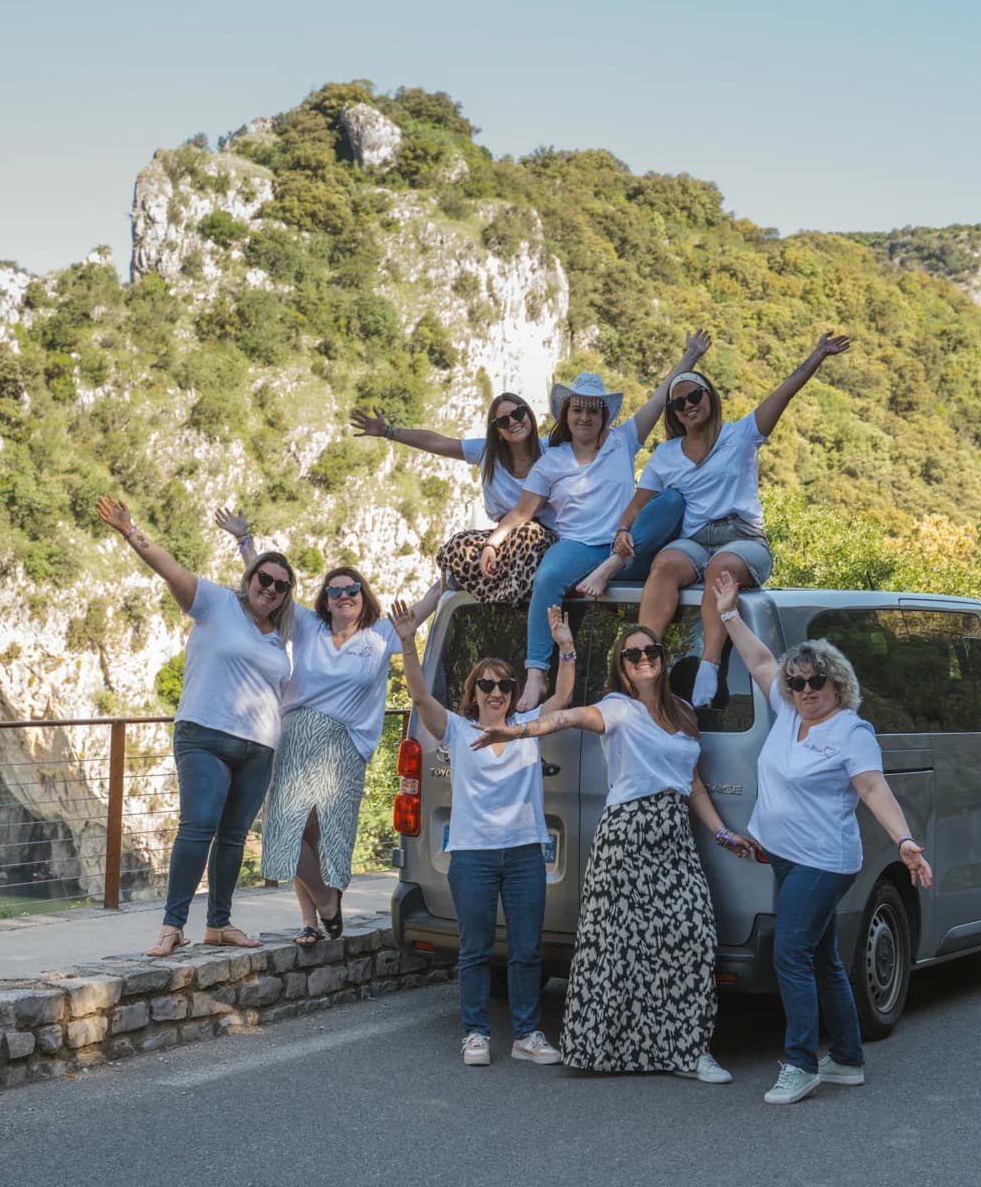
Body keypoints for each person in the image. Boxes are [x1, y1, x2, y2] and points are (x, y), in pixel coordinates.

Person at [471, 624, 758, 1081]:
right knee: (617, 950)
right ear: (621, 667)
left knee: (692, 936)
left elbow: (694, 784)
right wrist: (518, 731)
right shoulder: (616, 709)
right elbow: (564, 718)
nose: (642, 658)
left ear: (661, 658)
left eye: (650, 650)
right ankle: (609, 1050)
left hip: (675, 837)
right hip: (626, 835)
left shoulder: (683, 712)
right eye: (631, 654)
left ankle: (688, 1051)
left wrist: (724, 835)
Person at [709, 570, 934, 1105]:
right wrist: (726, 614)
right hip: (785, 856)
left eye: (816, 682)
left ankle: (801, 1062)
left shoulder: (851, 731)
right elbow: (762, 660)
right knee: (822, 958)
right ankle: (848, 1059)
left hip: (825, 862)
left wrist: (903, 841)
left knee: (790, 952)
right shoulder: (787, 712)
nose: (805, 690)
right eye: (798, 682)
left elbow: (874, 788)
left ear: (838, 685)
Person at [215, 508, 440, 948]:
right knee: (291, 825)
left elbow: (427, 605)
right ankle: (322, 907)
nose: (343, 595)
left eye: (351, 589)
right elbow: (268, 587)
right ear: (325, 599)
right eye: (334, 590)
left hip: (346, 744)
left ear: (362, 594)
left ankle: (315, 919)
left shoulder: (380, 636)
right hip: (298, 733)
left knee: (329, 831)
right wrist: (245, 542)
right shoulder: (309, 625)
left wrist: (446, 578)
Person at [94, 495, 295, 958]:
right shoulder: (216, 603)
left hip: (259, 748)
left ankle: (219, 923)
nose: (270, 588)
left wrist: (249, 543)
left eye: (280, 586)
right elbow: (169, 568)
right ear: (249, 581)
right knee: (199, 825)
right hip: (204, 734)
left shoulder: (277, 635)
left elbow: (270, 575)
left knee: (233, 836)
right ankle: (172, 926)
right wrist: (129, 530)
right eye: (263, 579)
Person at [610, 331, 852, 708]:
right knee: (664, 565)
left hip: (744, 539)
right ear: (672, 414)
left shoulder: (740, 435)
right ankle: (644, 664)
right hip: (696, 539)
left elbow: (783, 393)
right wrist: (624, 528)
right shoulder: (667, 454)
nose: (688, 405)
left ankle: (709, 666)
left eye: (695, 396)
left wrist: (817, 355)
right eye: (679, 403)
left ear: (710, 399)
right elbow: (638, 503)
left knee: (721, 570)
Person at [477, 332, 711, 711]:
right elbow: (521, 512)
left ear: (604, 415)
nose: (585, 417)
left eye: (592, 410)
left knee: (670, 500)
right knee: (549, 577)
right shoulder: (551, 461)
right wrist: (493, 541)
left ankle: (611, 567)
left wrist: (691, 355)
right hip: (580, 550)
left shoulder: (624, 440)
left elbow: (659, 396)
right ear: (566, 416)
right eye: (577, 410)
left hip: (627, 548)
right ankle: (536, 674)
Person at [393, 599, 577, 1067]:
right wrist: (407, 642)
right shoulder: (454, 729)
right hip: (472, 855)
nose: (496, 692)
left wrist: (565, 647)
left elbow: (563, 698)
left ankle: (526, 1034)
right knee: (475, 949)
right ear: (473, 692)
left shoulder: (525, 728)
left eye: (504, 685)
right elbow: (418, 696)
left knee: (525, 950)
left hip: (522, 853)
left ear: (514, 692)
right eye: (487, 685)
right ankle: (476, 1033)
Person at [350, 394, 556, 605]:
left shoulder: (551, 448)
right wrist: (388, 431)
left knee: (528, 532)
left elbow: (584, 437)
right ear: (498, 431)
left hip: (542, 538)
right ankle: (471, 600)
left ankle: (514, 603)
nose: (513, 422)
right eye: (503, 421)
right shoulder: (487, 453)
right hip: (503, 539)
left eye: (518, 413)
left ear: (529, 414)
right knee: (457, 546)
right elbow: (437, 442)